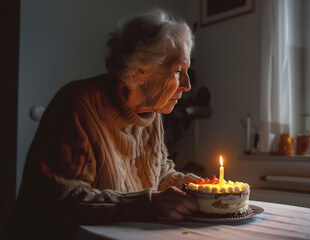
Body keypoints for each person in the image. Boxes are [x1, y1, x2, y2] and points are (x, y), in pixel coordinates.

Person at [7, 9, 200, 240]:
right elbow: (63, 202)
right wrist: (148, 204)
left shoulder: (152, 112)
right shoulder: (77, 107)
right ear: (140, 72)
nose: (187, 85)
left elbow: (157, 174)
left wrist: (200, 188)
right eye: (178, 71)